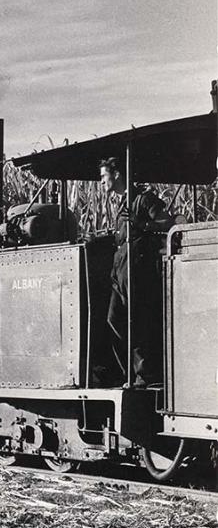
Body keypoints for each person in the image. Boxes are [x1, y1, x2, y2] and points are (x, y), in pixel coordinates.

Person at [99, 156, 173, 388]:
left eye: (104, 176)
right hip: (120, 273)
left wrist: (144, 226)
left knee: (138, 323)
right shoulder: (122, 203)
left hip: (138, 273)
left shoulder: (143, 199)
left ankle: (145, 376)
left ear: (117, 174)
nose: (101, 181)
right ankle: (128, 374)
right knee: (114, 321)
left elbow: (168, 223)